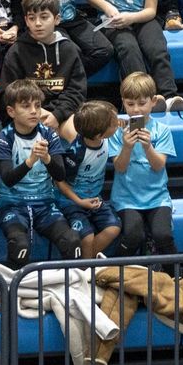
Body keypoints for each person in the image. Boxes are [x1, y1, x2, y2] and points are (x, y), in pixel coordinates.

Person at [0, 78, 83, 267]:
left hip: (44, 205)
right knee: (19, 244)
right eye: (26, 106)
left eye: (38, 105)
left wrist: (47, 159)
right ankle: (15, 292)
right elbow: (8, 179)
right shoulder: (3, 138)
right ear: (11, 111)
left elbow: (60, 175)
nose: (34, 111)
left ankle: (69, 292)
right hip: (12, 205)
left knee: (72, 240)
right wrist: (30, 161)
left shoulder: (49, 134)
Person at [111, 74, 179, 256]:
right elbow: (119, 167)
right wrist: (127, 146)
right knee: (134, 235)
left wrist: (148, 146)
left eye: (142, 103)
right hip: (126, 198)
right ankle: (110, 271)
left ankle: (177, 278)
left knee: (163, 235)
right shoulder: (117, 132)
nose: (136, 110)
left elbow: (158, 166)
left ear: (153, 101)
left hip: (158, 198)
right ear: (123, 102)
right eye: (130, 104)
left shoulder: (162, 131)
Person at [2, 0, 88, 130]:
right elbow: (8, 91)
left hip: (61, 114)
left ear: (57, 19)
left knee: (76, 133)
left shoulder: (69, 49)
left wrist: (57, 115)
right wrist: (36, 112)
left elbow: (76, 91)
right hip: (27, 114)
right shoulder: (16, 51)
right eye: (32, 18)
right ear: (26, 21)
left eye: (44, 17)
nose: (37, 23)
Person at [58, 100, 123, 258]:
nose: (118, 125)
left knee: (114, 228)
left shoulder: (106, 138)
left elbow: (121, 123)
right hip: (72, 202)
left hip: (94, 199)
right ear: (99, 134)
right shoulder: (76, 153)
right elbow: (60, 182)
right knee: (87, 238)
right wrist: (79, 202)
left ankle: (85, 263)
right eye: (114, 124)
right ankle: (87, 275)